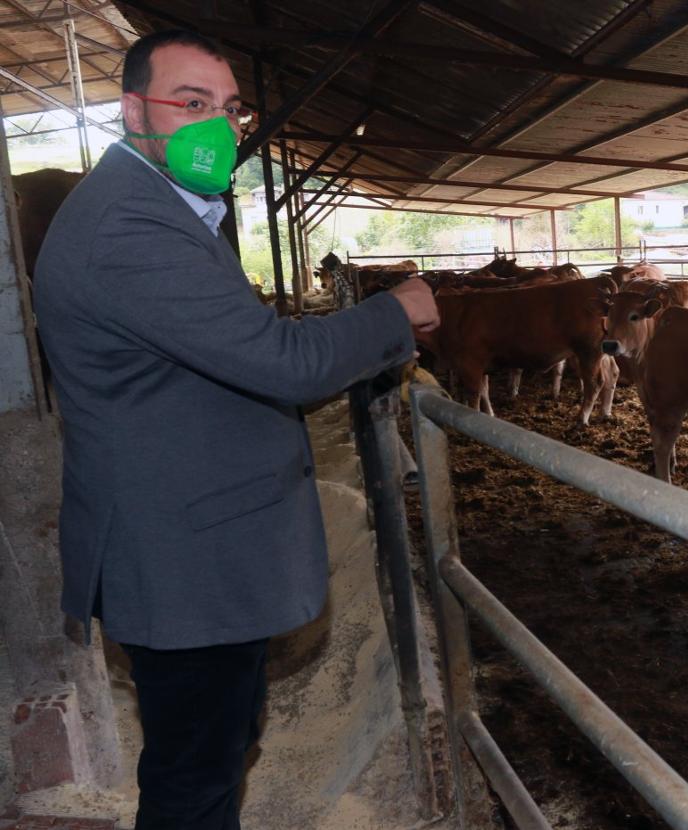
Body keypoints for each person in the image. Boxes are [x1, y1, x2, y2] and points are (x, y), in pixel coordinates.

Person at [32, 29, 438, 829]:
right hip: (181, 558)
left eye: (229, 109)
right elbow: (280, 359)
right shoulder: (129, 227)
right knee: (193, 777)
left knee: (215, 751)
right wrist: (395, 312)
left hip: (198, 544)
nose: (217, 127)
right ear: (130, 111)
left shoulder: (172, 210)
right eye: (190, 104)